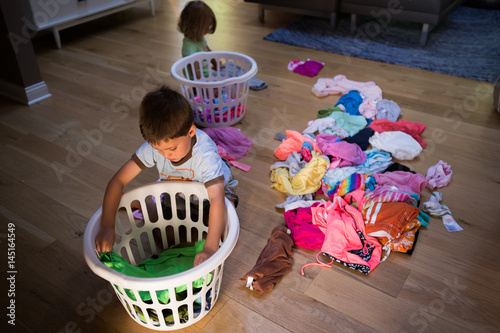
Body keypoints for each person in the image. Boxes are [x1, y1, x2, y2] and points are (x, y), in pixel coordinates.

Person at [95, 86, 238, 266]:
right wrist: (107, 226)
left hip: (215, 192)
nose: (166, 155)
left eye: (172, 149)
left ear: (191, 132)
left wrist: (209, 248)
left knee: (224, 232)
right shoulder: (157, 145)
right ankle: (146, 204)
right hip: (179, 193)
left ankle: (146, 205)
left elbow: (217, 198)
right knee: (168, 240)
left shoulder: (205, 155)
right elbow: (118, 180)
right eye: (158, 150)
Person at [177, 0, 267, 90]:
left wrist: (216, 65)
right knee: (225, 86)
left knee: (232, 66)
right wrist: (207, 88)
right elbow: (194, 73)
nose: (208, 31)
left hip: (209, 75)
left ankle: (254, 83)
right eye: (205, 28)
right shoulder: (189, 47)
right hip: (199, 83)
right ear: (194, 27)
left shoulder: (198, 38)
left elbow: (208, 52)